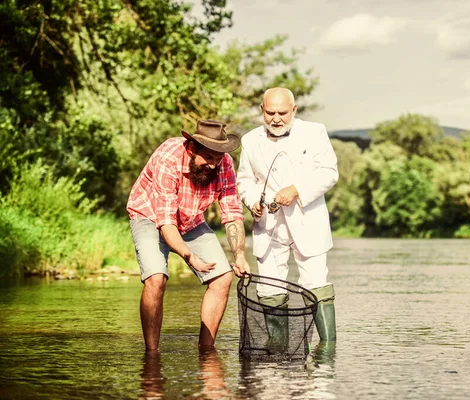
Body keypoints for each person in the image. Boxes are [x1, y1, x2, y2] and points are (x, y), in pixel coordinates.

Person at [127, 119, 251, 352]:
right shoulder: (169, 158)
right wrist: (188, 255)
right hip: (149, 216)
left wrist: (241, 255)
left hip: (191, 219)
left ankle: (206, 351)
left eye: (218, 158)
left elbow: (232, 213)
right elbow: (166, 223)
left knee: (223, 277)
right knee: (156, 278)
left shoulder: (224, 164)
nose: (214, 165)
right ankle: (152, 353)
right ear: (193, 148)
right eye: (208, 158)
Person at [236, 87, 338, 342]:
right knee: (269, 288)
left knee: (316, 283)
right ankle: (277, 355)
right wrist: (252, 201)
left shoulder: (315, 132)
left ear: (294, 110)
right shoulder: (249, 140)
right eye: (270, 112)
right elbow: (245, 181)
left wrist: (297, 190)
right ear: (262, 110)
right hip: (268, 226)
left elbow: (329, 173)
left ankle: (327, 352)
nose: (276, 118)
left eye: (282, 112)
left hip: (308, 222)